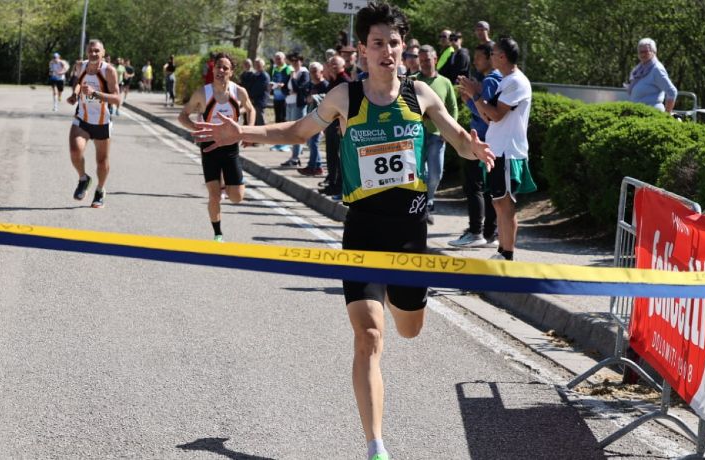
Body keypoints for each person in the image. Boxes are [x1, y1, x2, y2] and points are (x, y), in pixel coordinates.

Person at [192, 4, 493, 458]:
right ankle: (376, 446)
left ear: (404, 48)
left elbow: (458, 141)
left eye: (394, 43)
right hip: (363, 233)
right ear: (362, 51)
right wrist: (243, 134)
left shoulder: (421, 95)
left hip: (410, 235)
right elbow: (297, 132)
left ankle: (400, 300)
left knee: (409, 329)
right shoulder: (344, 97)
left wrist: (474, 147)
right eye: (377, 43)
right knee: (369, 336)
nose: (387, 51)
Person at [459, 37, 536, 261]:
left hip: (508, 152)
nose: (490, 57)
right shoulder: (505, 80)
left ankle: (507, 254)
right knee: (498, 202)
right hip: (497, 151)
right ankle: (502, 250)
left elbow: (496, 114)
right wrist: (472, 98)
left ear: (502, 56)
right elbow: (488, 117)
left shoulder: (516, 82)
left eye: (492, 53)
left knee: (506, 204)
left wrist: (476, 94)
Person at [178, 53, 255, 242]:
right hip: (209, 147)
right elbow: (182, 116)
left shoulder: (239, 92)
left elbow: (251, 109)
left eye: (225, 68)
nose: (221, 70)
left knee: (237, 197)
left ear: (231, 72)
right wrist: (198, 128)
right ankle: (218, 234)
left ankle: (226, 182)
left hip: (230, 148)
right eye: (218, 67)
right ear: (213, 69)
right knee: (214, 196)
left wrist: (249, 132)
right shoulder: (202, 93)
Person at [452, 42, 501, 247]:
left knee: (474, 187)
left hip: (481, 140)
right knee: (488, 188)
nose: (475, 61)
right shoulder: (495, 79)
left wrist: (468, 99)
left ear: (491, 57)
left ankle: (476, 232)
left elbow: (485, 113)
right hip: (490, 140)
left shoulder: (491, 80)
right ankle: (490, 233)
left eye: (479, 57)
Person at [66, 39, 120, 208]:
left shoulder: (109, 71)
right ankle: (83, 179)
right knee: (75, 151)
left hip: (102, 122)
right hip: (82, 118)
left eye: (97, 51)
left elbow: (117, 99)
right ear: (86, 52)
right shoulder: (80, 66)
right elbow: (78, 83)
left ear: (103, 52)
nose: (93, 54)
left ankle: (100, 190)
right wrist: (74, 95)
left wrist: (95, 93)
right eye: (90, 51)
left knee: (101, 161)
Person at [416, 45, 458, 224]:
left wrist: (449, 131)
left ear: (435, 59)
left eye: (427, 60)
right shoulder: (413, 80)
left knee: (435, 174)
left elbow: (453, 108)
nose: (424, 63)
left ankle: (429, 200)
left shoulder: (445, 82)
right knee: (419, 174)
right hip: (416, 135)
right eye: (421, 60)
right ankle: (421, 207)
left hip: (437, 135)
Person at [319, 55, 351, 198]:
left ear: (342, 66)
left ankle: (339, 186)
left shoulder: (345, 81)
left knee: (339, 158)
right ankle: (331, 184)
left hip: (339, 125)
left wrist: (342, 123)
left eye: (335, 64)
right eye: (330, 63)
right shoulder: (332, 81)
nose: (332, 66)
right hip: (330, 123)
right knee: (330, 155)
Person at [627, 38, 677, 113]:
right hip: (639, 113)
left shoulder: (656, 69)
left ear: (653, 52)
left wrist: (666, 115)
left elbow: (672, 92)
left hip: (652, 113)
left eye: (646, 51)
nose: (643, 54)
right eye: (640, 52)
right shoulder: (639, 69)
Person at [298, 61, 330, 176]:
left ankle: (313, 167)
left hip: (322, 118)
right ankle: (317, 166)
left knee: (314, 142)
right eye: (311, 72)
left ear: (321, 72)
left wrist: (315, 97)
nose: (313, 74)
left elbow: (329, 99)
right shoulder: (310, 85)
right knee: (311, 142)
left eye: (315, 71)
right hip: (311, 117)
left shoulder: (325, 85)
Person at [280, 53, 310, 167]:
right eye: (292, 61)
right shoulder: (292, 72)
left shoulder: (304, 73)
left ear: (301, 61)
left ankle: (295, 157)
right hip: (289, 103)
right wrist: (289, 91)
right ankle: (294, 155)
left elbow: (299, 88)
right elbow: (284, 88)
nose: (294, 63)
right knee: (291, 131)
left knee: (297, 131)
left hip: (298, 105)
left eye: (296, 61)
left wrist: (293, 79)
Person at [269, 52, 291, 152]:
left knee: (284, 121)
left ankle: (285, 143)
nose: (277, 60)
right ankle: (278, 143)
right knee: (277, 121)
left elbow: (290, 82)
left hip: (285, 99)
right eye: (276, 58)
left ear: (284, 59)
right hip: (276, 98)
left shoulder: (288, 69)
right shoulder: (274, 68)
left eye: (279, 58)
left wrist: (283, 85)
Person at [248, 58, 270, 128]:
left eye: (259, 65)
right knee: (255, 120)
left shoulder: (264, 76)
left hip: (260, 101)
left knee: (260, 121)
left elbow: (259, 88)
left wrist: (251, 96)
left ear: (263, 65)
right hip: (254, 101)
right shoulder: (254, 75)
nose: (257, 66)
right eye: (256, 64)